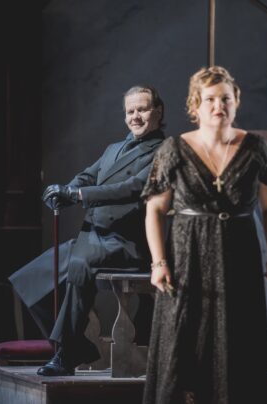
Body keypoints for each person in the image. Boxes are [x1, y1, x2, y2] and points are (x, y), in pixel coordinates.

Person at [142, 66, 267, 403]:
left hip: (239, 252)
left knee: (238, 338)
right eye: (210, 99)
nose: (218, 105)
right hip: (186, 254)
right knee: (183, 337)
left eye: (225, 98)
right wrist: (158, 263)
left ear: (236, 102)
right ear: (195, 105)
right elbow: (155, 210)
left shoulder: (256, 148)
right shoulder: (174, 149)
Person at [9, 85, 166, 376]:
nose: (135, 116)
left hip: (126, 241)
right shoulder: (113, 148)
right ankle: (77, 343)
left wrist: (78, 195)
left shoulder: (164, 151)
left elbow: (131, 188)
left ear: (158, 111)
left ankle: (65, 353)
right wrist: (64, 190)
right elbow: (87, 176)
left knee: (80, 264)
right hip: (93, 235)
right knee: (30, 277)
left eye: (142, 109)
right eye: (130, 111)